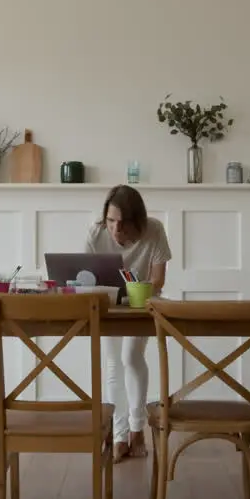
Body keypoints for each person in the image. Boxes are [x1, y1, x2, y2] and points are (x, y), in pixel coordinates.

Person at [84, 185, 171, 461]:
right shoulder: (96, 233)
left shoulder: (154, 230)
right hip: (108, 306)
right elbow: (84, 278)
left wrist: (136, 291)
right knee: (113, 362)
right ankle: (120, 435)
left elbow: (158, 281)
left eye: (123, 222)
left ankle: (137, 427)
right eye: (110, 221)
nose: (115, 229)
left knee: (131, 356)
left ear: (138, 221)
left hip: (142, 305)